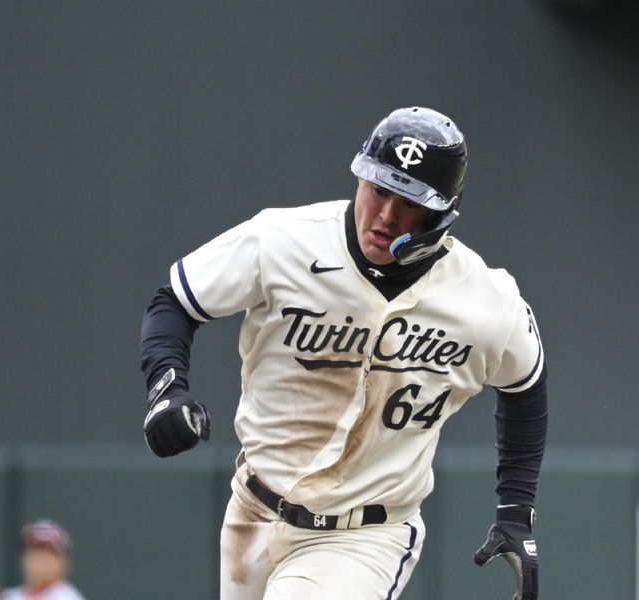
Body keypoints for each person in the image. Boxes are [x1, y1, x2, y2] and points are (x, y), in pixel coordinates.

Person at [140, 106, 547, 600]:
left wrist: (515, 511)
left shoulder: (486, 302)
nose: (385, 215)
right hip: (252, 512)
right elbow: (176, 302)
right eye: (378, 188)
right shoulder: (282, 240)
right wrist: (167, 387)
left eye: (409, 201)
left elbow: (525, 387)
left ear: (443, 213)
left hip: (366, 534)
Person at [1, 519, 87, 600]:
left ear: (64, 562)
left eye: (48, 555)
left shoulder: (67, 597)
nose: (40, 561)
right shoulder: (11, 595)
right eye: (34, 553)